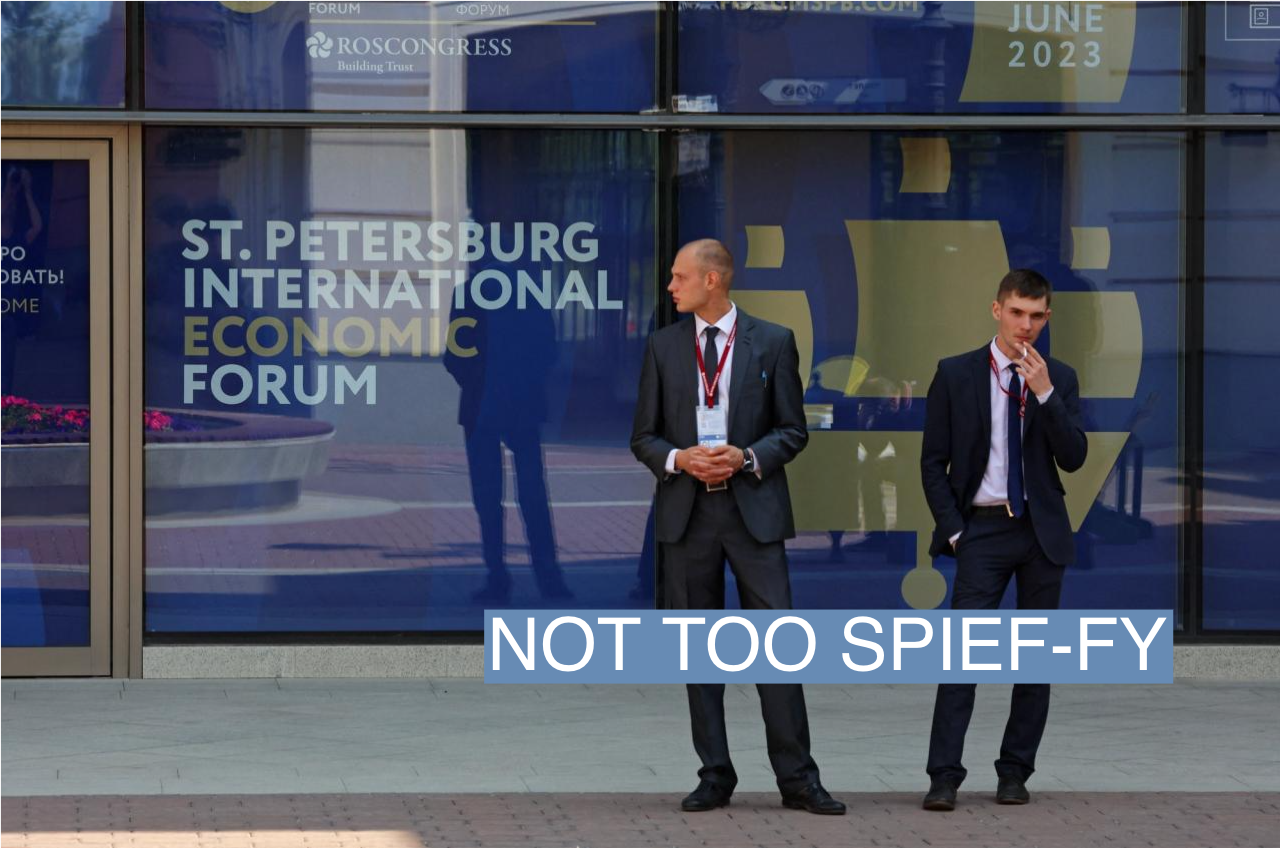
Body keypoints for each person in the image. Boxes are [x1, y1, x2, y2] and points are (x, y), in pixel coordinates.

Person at [630, 239, 844, 816]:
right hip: (688, 516)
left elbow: (793, 430)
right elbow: (643, 437)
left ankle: (798, 780)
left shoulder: (773, 341)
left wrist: (746, 457)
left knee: (779, 649)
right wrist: (680, 459)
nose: (670, 287)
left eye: (679, 277)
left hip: (754, 514)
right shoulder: (663, 346)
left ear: (712, 280)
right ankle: (714, 775)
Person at [919, 268, 1088, 811]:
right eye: (1017, 312)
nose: (1026, 325)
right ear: (997, 310)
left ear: (1047, 317)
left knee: (1034, 662)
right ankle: (943, 776)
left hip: (1040, 533)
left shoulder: (1059, 377)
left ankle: (1015, 773)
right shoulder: (956, 373)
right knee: (962, 659)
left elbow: (1074, 457)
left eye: (1036, 316)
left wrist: (1045, 394)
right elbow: (932, 462)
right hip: (982, 531)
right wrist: (956, 532)